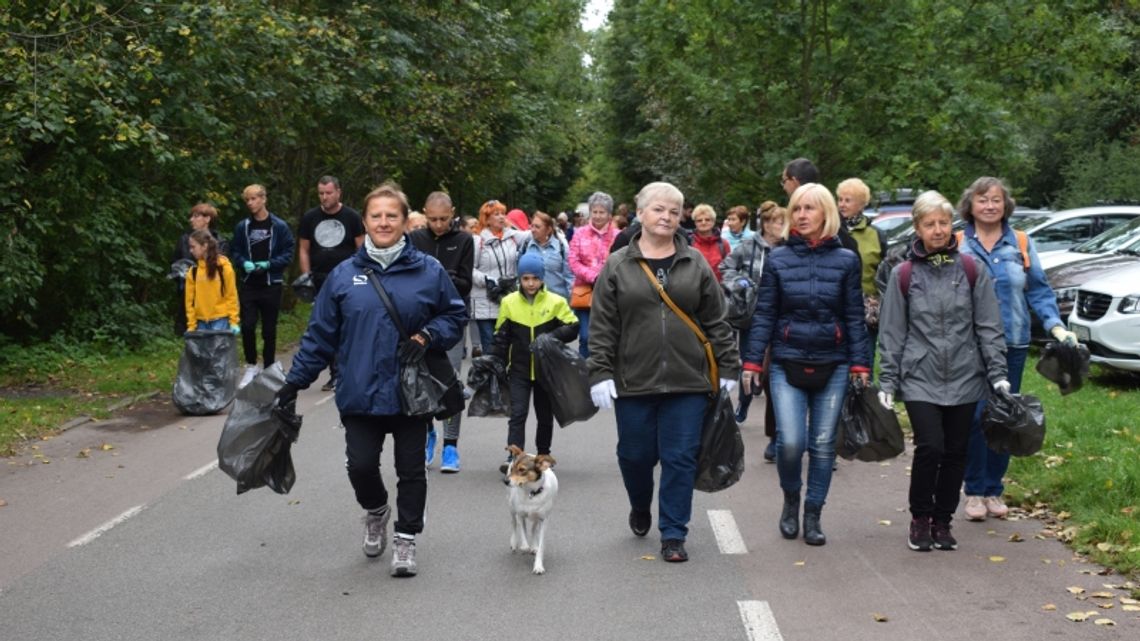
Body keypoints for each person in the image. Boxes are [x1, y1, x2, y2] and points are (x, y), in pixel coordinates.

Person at [274, 183, 467, 578]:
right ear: (365, 221)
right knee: (361, 466)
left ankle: (406, 538)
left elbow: (454, 315)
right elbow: (320, 335)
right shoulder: (345, 275)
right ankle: (376, 510)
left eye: (391, 215)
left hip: (410, 392)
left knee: (410, 469)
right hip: (359, 390)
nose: (383, 222)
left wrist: (428, 336)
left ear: (403, 222)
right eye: (376, 216)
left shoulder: (427, 270)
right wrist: (294, 382)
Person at [588, 181, 740, 563]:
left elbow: (716, 320)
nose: (667, 216)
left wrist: (729, 367)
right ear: (640, 214)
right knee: (635, 455)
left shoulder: (695, 263)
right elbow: (603, 324)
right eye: (659, 209)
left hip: (688, 380)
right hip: (633, 380)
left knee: (680, 456)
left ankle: (673, 533)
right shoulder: (618, 263)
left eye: (674, 211)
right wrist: (599, 373)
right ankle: (641, 505)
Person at [741, 183, 872, 547]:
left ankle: (813, 514)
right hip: (787, 362)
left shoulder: (846, 259)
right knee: (791, 443)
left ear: (826, 213)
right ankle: (790, 499)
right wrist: (752, 361)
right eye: (796, 208)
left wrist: (861, 364)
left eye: (809, 208)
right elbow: (764, 312)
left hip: (835, 362)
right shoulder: (779, 258)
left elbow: (854, 316)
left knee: (824, 443)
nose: (801, 215)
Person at [877, 190, 1009, 552]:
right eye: (929, 224)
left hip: (966, 375)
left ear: (952, 225)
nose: (937, 230)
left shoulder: (970, 270)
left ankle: (943, 521)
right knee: (930, 447)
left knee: (955, 451)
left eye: (943, 222)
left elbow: (988, 325)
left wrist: (997, 372)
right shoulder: (904, 274)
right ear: (917, 228)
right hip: (920, 375)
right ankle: (920, 519)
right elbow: (892, 331)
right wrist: (888, 379)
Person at [955, 177, 1078, 521]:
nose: (990, 206)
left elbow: (1038, 289)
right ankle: (975, 490)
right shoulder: (958, 242)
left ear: (1005, 205)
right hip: (969, 345)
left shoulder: (1021, 242)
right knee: (977, 415)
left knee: (1006, 416)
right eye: (982, 200)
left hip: (1013, 343)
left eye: (996, 200)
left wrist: (1055, 325)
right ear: (971, 205)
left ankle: (994, 489)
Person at [489, 253, 579, 479]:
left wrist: (550, 336)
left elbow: (573, 326)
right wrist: (495, 361)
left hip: (545, 371)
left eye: (535, 278)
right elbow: (501, 336)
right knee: (517, 413)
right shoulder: (509, 302)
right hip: (518, 369)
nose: (530, 283)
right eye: (526, 278)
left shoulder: (556, 302)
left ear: (542, 279)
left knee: (544, 415)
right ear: (520, 278)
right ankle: (514, 455)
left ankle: (543, 455)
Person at [409, 191, 474, 473]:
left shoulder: (464, 240)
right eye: (433, 219)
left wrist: (437, 274)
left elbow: (465, 283)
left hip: (452, 321)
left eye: (444, 219)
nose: (438, 225)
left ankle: (450, 445)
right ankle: (427, 434)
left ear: (453, 214)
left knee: (450, 381)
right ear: (424, 214)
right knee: (422, 380)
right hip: (420, 321)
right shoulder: (414, 239)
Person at [297, 176, 364, 391]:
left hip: (347, 280)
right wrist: (306, 276)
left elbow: (361, 249)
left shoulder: (352, 217)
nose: (324, 197)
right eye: (321, 193)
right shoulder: (310, 218)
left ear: (338, 192)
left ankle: (345, 371)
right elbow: (304, 249)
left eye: (328, 193)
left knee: (347, 327)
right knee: (326, 327)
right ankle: (332, 372)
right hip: (319, 279)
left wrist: (360, 275)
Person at [720, 216, 777, 458]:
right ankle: (743, 402)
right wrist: (741, 283)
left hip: (779, 315)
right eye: (776, 221)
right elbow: (726, 268)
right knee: (748, 362)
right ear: (765, 224)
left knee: (771, 368)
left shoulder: (789, 248)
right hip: (750, 314)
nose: (780, 226)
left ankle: (775, 430)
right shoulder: (748, 247)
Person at [232, 184, 295, 388]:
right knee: (248, 325)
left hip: (271, 284)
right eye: (247, 200)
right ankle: (252, 365)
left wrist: (270, 264)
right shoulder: (243, 227)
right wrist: (243, 263)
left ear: (263, 199)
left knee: (269, 330)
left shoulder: (279, 226)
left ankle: (269, 368)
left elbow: (288, 252)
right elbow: (236, 251)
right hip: (250, 284)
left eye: (253, 199)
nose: (250, 203)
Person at [470, 200, 529, 354]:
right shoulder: (478, 241)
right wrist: (489, 281)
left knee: (508, 347)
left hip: (508, 299)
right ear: (487, 219)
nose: (502, 217)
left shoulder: (512, 236)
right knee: (490, 349)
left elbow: (534, 234)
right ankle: (491, 378)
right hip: (485, 300)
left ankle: (505, 377)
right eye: (496, 214)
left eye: (503, 213)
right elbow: (470, 269)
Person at [568, 191, 619, 358]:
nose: (597, 216)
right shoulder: (579, 233)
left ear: (609, 214)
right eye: (595, 212)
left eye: (601, 212)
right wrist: (592, 276)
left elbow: (621, 262)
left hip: (610, 293)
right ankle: (584, 374)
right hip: (585, 292)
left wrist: (605, 278)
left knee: (608, 336)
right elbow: (573, 260)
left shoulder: (617, 235)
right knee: (585, 336)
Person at [836, 178, 886, 338]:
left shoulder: (876, 234)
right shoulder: (831, 230)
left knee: (864, 358)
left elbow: (884, 274)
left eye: (848, 200)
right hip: (835, 309)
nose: (842, 204)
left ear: (861, 204)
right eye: (840, 199)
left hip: (865, 312)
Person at [173, 203, 228, 336]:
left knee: (213, 340)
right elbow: (175, 264)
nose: (191, 219)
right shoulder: (184, 240)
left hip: (213, 301)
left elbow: (224, 274)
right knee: (193, 340)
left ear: (207, 219)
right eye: (191, 216)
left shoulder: (220, 242)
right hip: (191, 298)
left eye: (196, 216)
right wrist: (182, 278)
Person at [183, 230, 240, 334]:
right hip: (200, 323)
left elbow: (231, 295)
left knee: (219, 351)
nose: (191, 250)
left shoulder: (224, 268)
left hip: (221, 320)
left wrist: (233, 321)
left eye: (193, 247)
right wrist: (191, 325)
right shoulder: (193, 271)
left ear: (204, 246)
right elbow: (189, 301)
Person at [520, 211, 574, 300]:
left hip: (557, 302)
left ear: (548, 229)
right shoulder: (526, 246)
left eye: (537, 227)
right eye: (532, 226)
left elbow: (569, 277)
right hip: (533, 302)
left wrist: (571, 301)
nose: (532, 230)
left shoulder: (561, 247)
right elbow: (520, 274)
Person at [689, 204, 730, 281]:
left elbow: (729, 268)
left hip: (718, 288)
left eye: (707, 219)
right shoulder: (688, 243)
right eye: (699, 220)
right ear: (695, 223)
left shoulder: (723, 244)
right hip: (694, 289)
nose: (703, 222)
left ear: (713, 221)